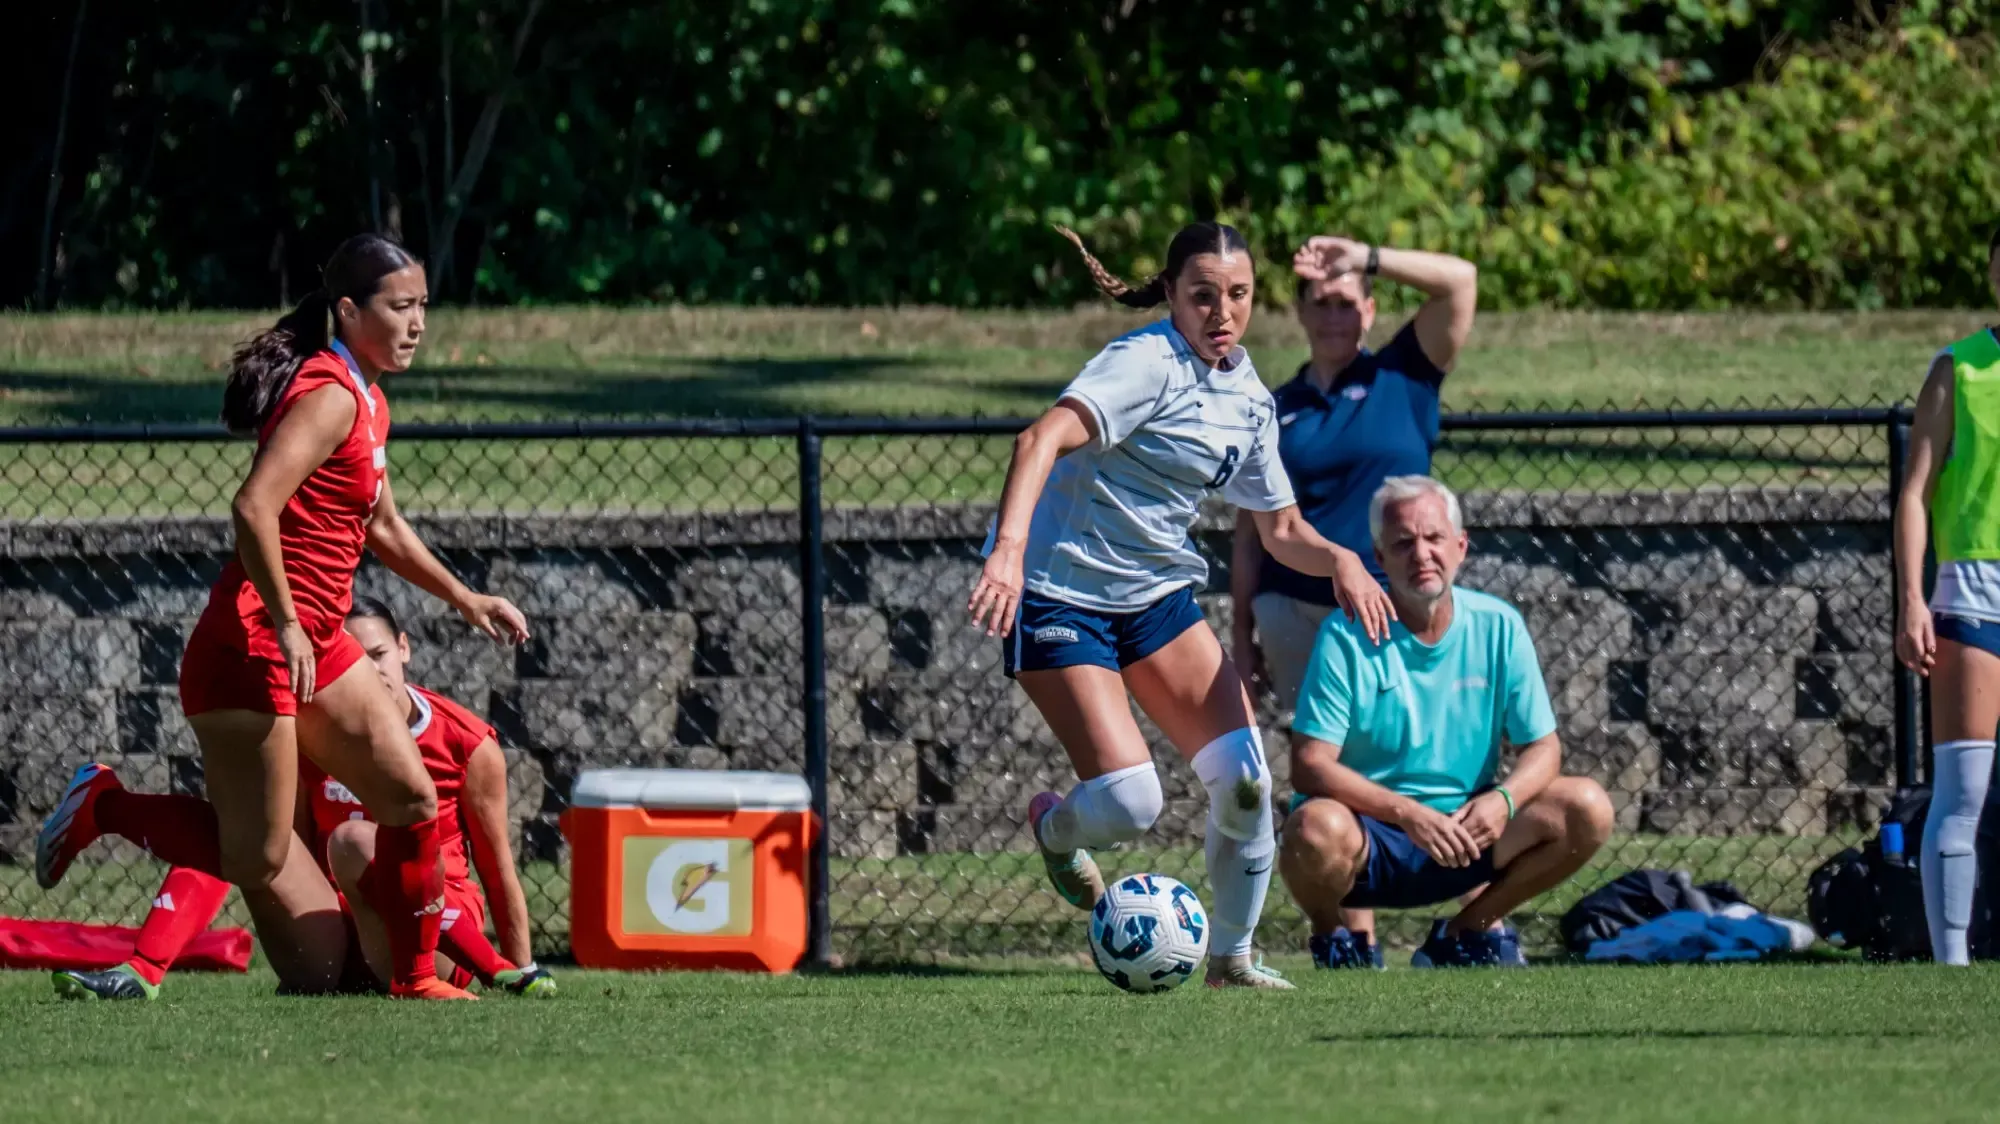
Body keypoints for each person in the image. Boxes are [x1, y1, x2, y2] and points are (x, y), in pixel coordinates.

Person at [35, 233, 528, 1000]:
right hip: (256, 642)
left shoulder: (370, 399)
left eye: (424, 305)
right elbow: (252, 507)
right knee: (257, 859)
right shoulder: (329, 393)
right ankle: (105, 804)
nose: (418, 322)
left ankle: (416, 979)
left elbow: (385, 529)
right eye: (400, 306)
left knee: (411, 799)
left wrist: (466, 599)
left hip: (317, 638)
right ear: (347, 310)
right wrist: (291, 622)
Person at [967, 222, 1395, 989]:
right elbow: (1037, 441)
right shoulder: (1142, 362)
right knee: (1131, 802)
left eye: (1238, 295)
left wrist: (1341, 562)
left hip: (1155, 597)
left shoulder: (1250, 399)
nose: (1221, 313)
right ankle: (1059, 831)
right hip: (1060, 590)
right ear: (1170, 295)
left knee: (1247, 784)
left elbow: (1283, 528)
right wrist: (1007, 553)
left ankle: (1230, 961)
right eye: (1202, 296)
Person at [50, 598, 555, 1000]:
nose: (371, 674)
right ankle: (141, 967)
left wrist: (520, 967)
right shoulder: (315, 732)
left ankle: (440, 975)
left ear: (404, 648)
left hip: (434, 935)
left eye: (378, 655)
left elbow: (498, 869)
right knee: (246, 829)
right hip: (331, 943)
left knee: (356, 839)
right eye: (354, 663)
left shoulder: (467, 741)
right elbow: (281, 844)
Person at [1229, 236, 1478, 962]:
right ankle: (1347, 938)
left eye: (1347, 302)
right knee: (1330, 772)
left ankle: (1471, 928)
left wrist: (1365, 256)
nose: (1335, 315)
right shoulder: (1274, 408)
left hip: (1398, 614)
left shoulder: (1405, 374)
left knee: (1421, 759)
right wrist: (1241, 639)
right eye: (1321, 304)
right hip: (1298, 614)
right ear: (1301, 314)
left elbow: (1459, 282)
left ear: (1368, 308)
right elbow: (1250, 536)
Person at [1276, 476, 1613, 968]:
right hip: (1374, 839)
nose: (1421, 555)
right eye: (1404, 543)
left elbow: (1544, 749)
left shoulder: (1499, 626)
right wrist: (1408, 815)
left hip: (1469, 830)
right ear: (1379, 557)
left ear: (1460, 547)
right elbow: (1309, 767)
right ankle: (1338, 943)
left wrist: (1502, 802)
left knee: (1587, 805)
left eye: (1434, 539)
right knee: (1312, 827)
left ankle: (1464, 934)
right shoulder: (1344, 635)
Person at [1893, 228, 2000, 967]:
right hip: (1974, 597)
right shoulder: (1960, 369)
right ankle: (1951, 966)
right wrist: (1911, 598)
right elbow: (1915, 495)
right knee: (1961, 799)